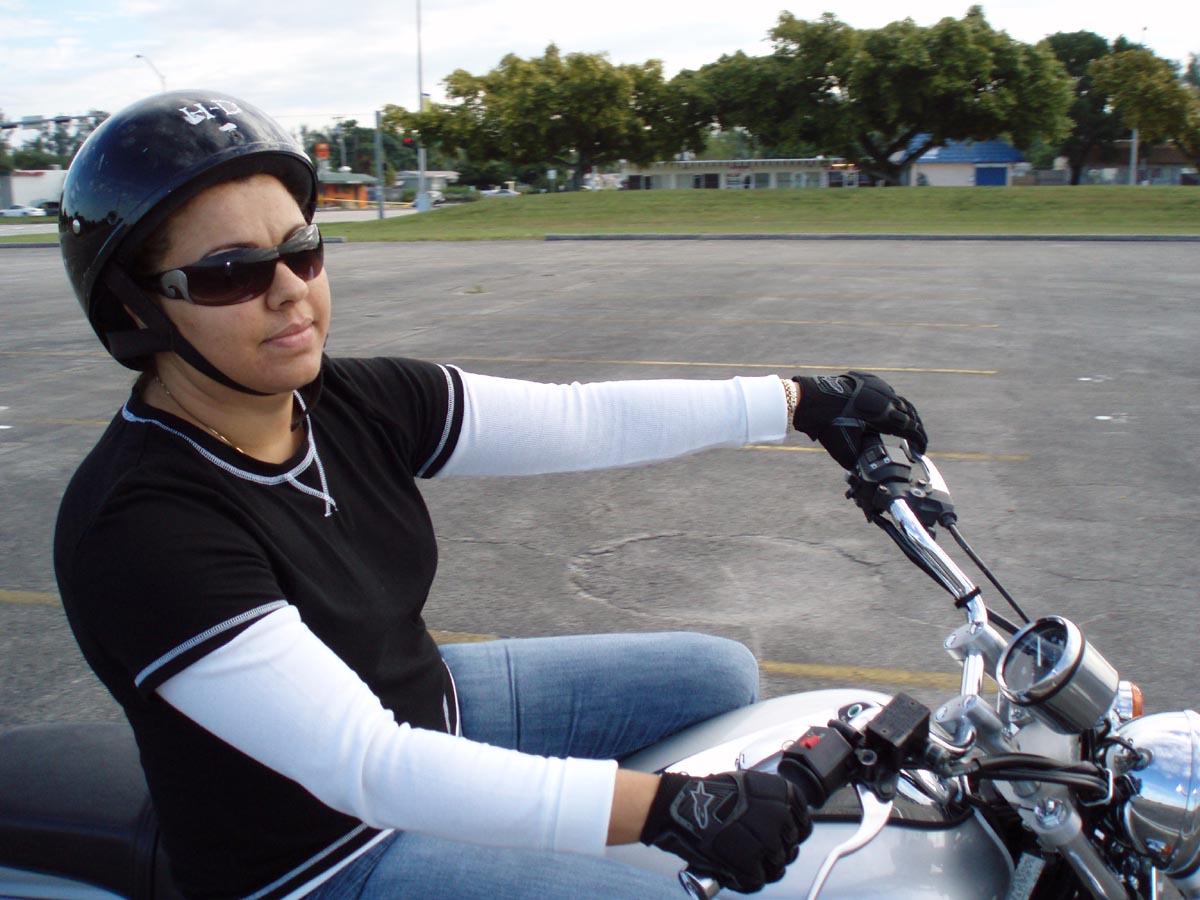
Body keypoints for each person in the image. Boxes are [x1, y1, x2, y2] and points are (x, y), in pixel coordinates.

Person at [54, 91, 928, 900]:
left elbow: (580, 420)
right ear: (136, 311)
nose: (289, 290)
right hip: (325, 852)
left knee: (717, 671)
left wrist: (798, 400)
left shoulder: (345, 400)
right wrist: (671, 810)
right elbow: (367, 765)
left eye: (302, 250)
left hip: (433, 704)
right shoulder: (141, 527)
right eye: (229, 273)